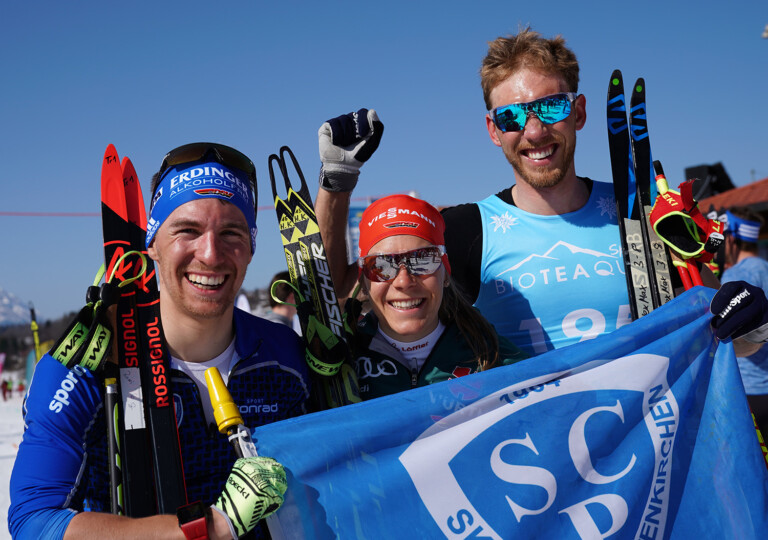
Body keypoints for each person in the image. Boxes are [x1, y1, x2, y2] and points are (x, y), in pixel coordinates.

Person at [9, 143, 311, 539]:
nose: (210, 254)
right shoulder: (85, 368)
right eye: (187, 230)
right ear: (151, 243)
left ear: (251, 246)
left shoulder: (285, 354)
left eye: (231, 233)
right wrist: (211, 527)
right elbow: (34, 522)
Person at [433, 27, 764, 359]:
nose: (534, 131)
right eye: (511, 116)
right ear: (494, 130)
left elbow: (734, 341)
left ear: (578, 113)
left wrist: (753, 323)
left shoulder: (644, 214)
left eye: (552, 107)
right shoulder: (464, 232)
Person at [314, 114, 527, 400]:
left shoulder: (493, 358)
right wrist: (337, 176)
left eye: (422, 260)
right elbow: (323, 284)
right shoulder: (339, 361)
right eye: (382, 266)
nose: (403, 281)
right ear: (363, 280)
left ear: (445, 272)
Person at [719, 207, 768, 436]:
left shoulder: (735, 277)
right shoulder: (765, 268)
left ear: (731, 239)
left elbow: (726, 333)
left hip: (748, 386)